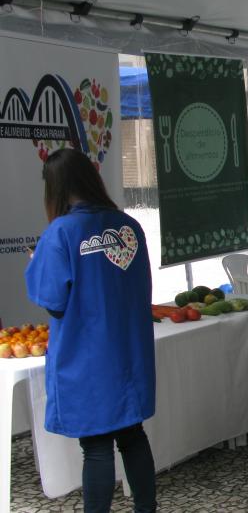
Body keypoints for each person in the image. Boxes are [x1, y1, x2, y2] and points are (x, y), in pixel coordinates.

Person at [25, 148, 157, 513]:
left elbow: (54, 301)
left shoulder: (60, 233)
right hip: (129, 351)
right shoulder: (128, 226)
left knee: (97, 446)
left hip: (87, 357)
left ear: (55, 187)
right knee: (132, 435)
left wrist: (37, 262)